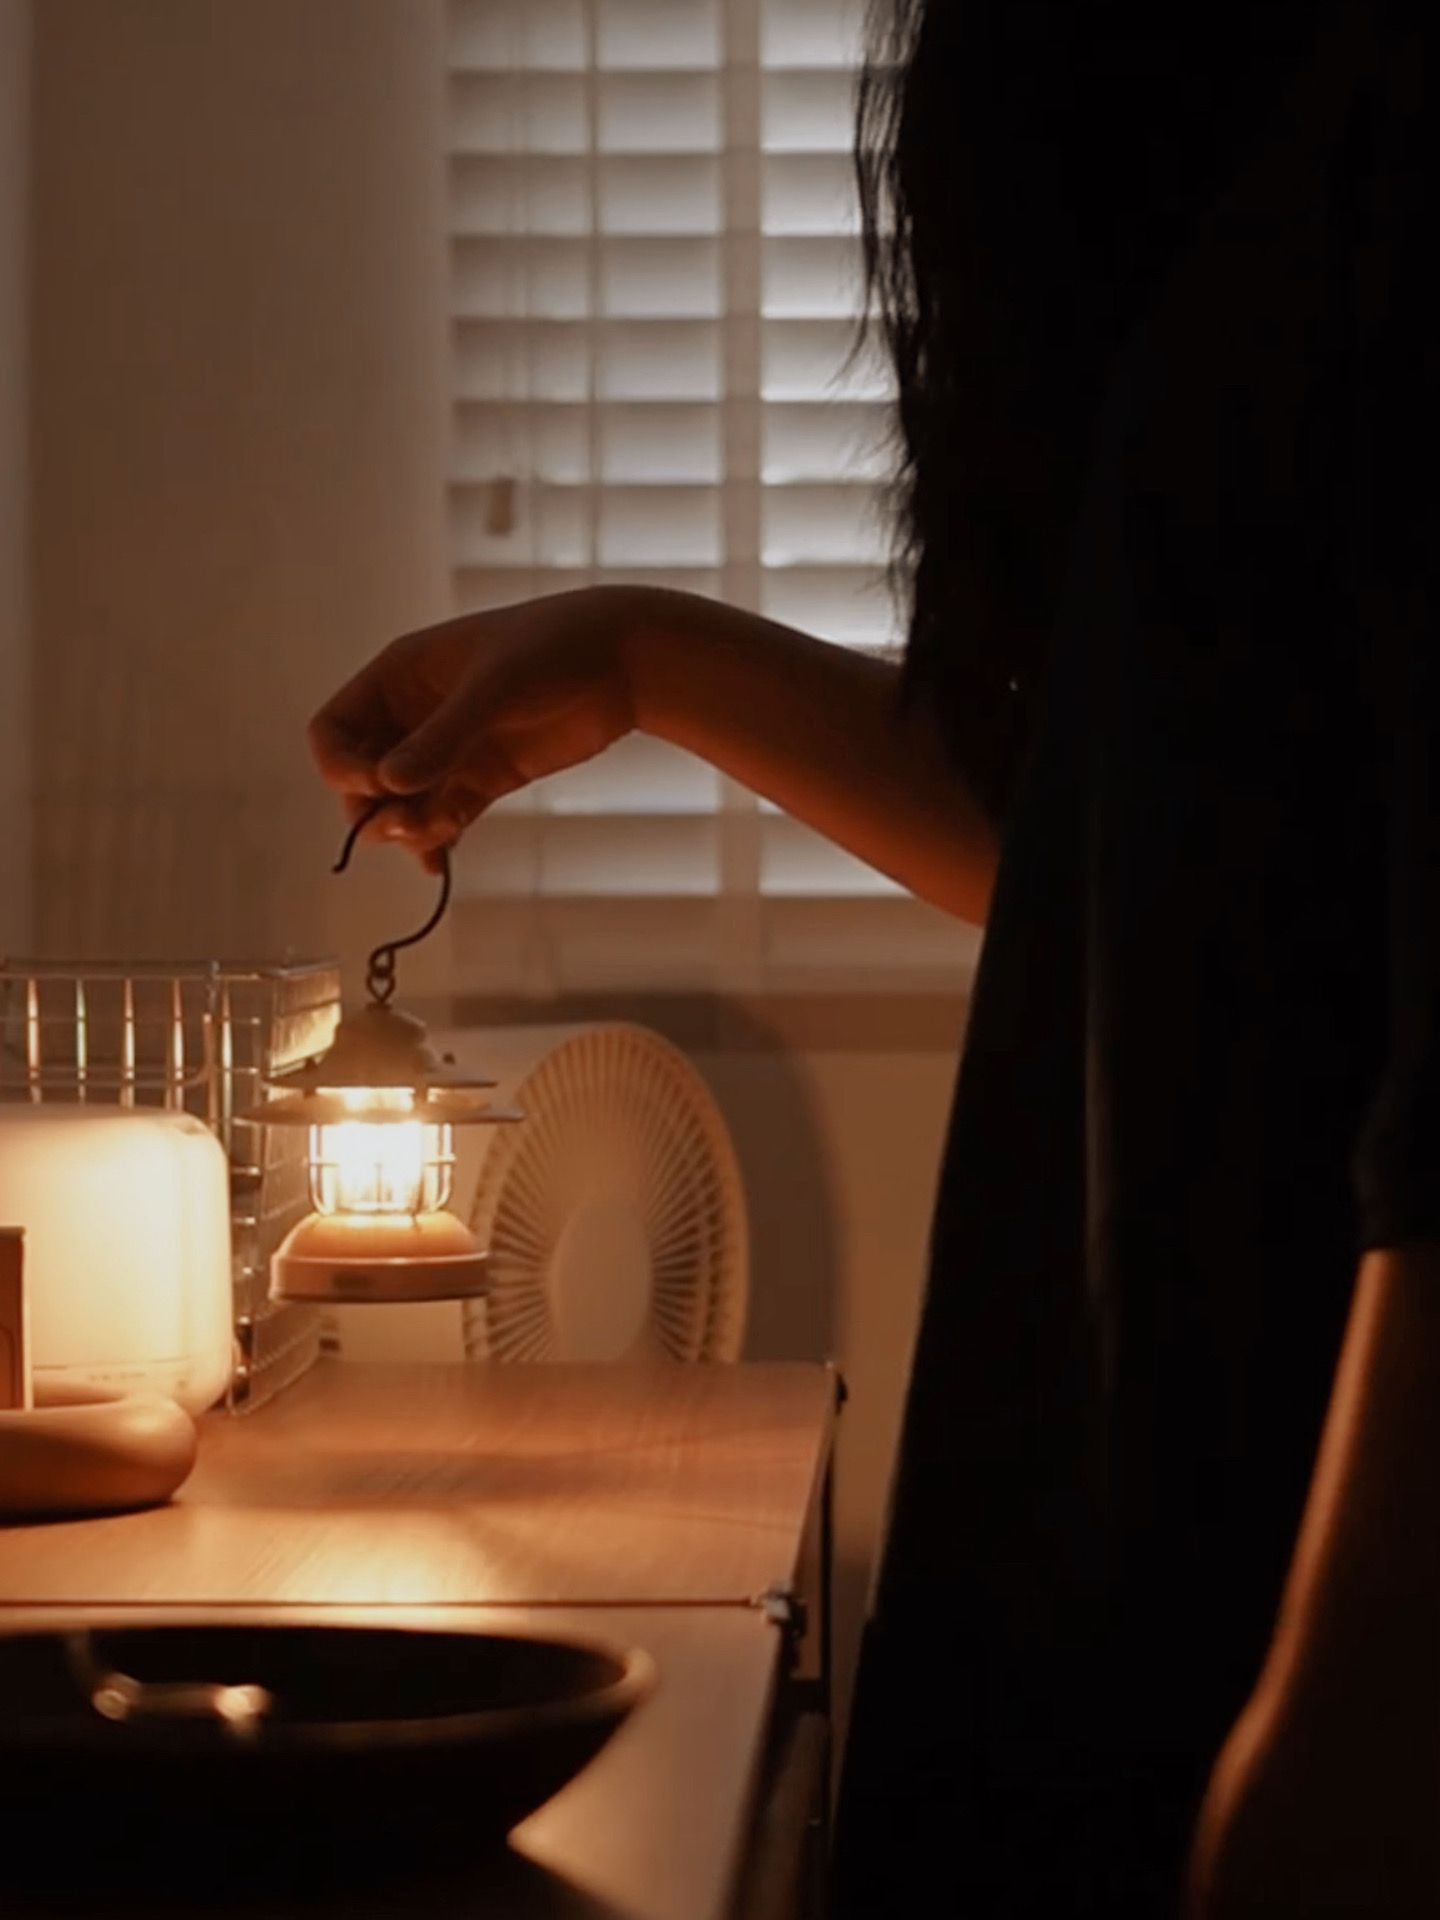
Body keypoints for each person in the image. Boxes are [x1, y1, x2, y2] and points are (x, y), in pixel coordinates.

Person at [311, 2, 1440, 1912]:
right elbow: (1129, 850)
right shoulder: (1248, 229)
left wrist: (1338, 1743)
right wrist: (647, 657)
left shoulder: (1387, 157)